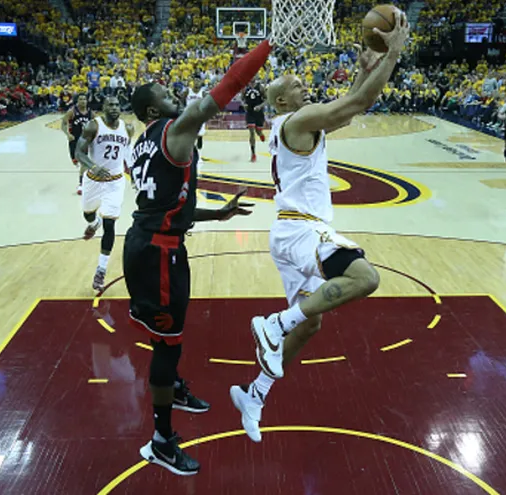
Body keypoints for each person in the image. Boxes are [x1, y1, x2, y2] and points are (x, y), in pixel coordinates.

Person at [229, 9, 410, 443]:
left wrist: (361, 73)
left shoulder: (295, 123)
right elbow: (358, 105)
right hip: (302, 230)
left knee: (309, 324)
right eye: (294, 85)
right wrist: (392, 57)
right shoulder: (295, 121)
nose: (303, 85)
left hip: (290, 233)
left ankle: (255, 394)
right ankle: (273, 325)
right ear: (282, 103)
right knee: (365, 277)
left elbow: (344, 111)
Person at [125, 39, 271, 475]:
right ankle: (161, 441)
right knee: (168, 346)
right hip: (158, 254)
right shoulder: (176, 129)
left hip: (149, 243)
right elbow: (228, 85)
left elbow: (172, 205)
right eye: (166, 97)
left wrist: (219, 212)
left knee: (165, 336)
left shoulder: (142, 143)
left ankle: (173, 385)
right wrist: (268, 46)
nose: (176, 99)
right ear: (153, 111)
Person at [75, 96, 136, 291]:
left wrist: (133, 172)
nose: (114, 108)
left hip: (115, 182)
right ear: (103, 107)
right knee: (87, 213)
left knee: (110, 225)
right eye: (110, 104)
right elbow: (79, 152)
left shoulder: (127, 128)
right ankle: (94, 223)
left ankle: (101, 270)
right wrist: (92, 165)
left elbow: (127, 153)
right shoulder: (94, 126)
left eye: (117, 104)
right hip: (93, 179)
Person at [62, 94, 92, 195]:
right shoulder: (72, 112)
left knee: (84, 163)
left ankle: (81, 184)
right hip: (74, 141)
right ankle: (84, 179)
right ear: (77, 101)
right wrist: (67, 134)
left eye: (84, 99)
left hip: (85, 141)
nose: (83, 101)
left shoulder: (90, 113)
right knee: (76, 162)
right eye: (81, 99)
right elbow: (63, 123)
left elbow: (97, 124)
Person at [181, 78, 208, 163]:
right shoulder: (187, 91)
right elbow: (181, 101)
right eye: (195, 81)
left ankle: (199, 155)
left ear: (201, 82)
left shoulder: (203, 93)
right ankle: (189, 155)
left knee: (200, 137)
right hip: (189, 116)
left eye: (198, 81)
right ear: (193, 82)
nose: (197, 82)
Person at [243, 81, 267, 162]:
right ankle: (253, 154)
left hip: (259, 113)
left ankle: (261, 134)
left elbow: (267, 100)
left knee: (258, 131)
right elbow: (241, 99)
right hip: (250, 112)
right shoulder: (245, 87)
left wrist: (260, 106)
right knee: (251, 132)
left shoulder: (260, 87)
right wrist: (243, 104)